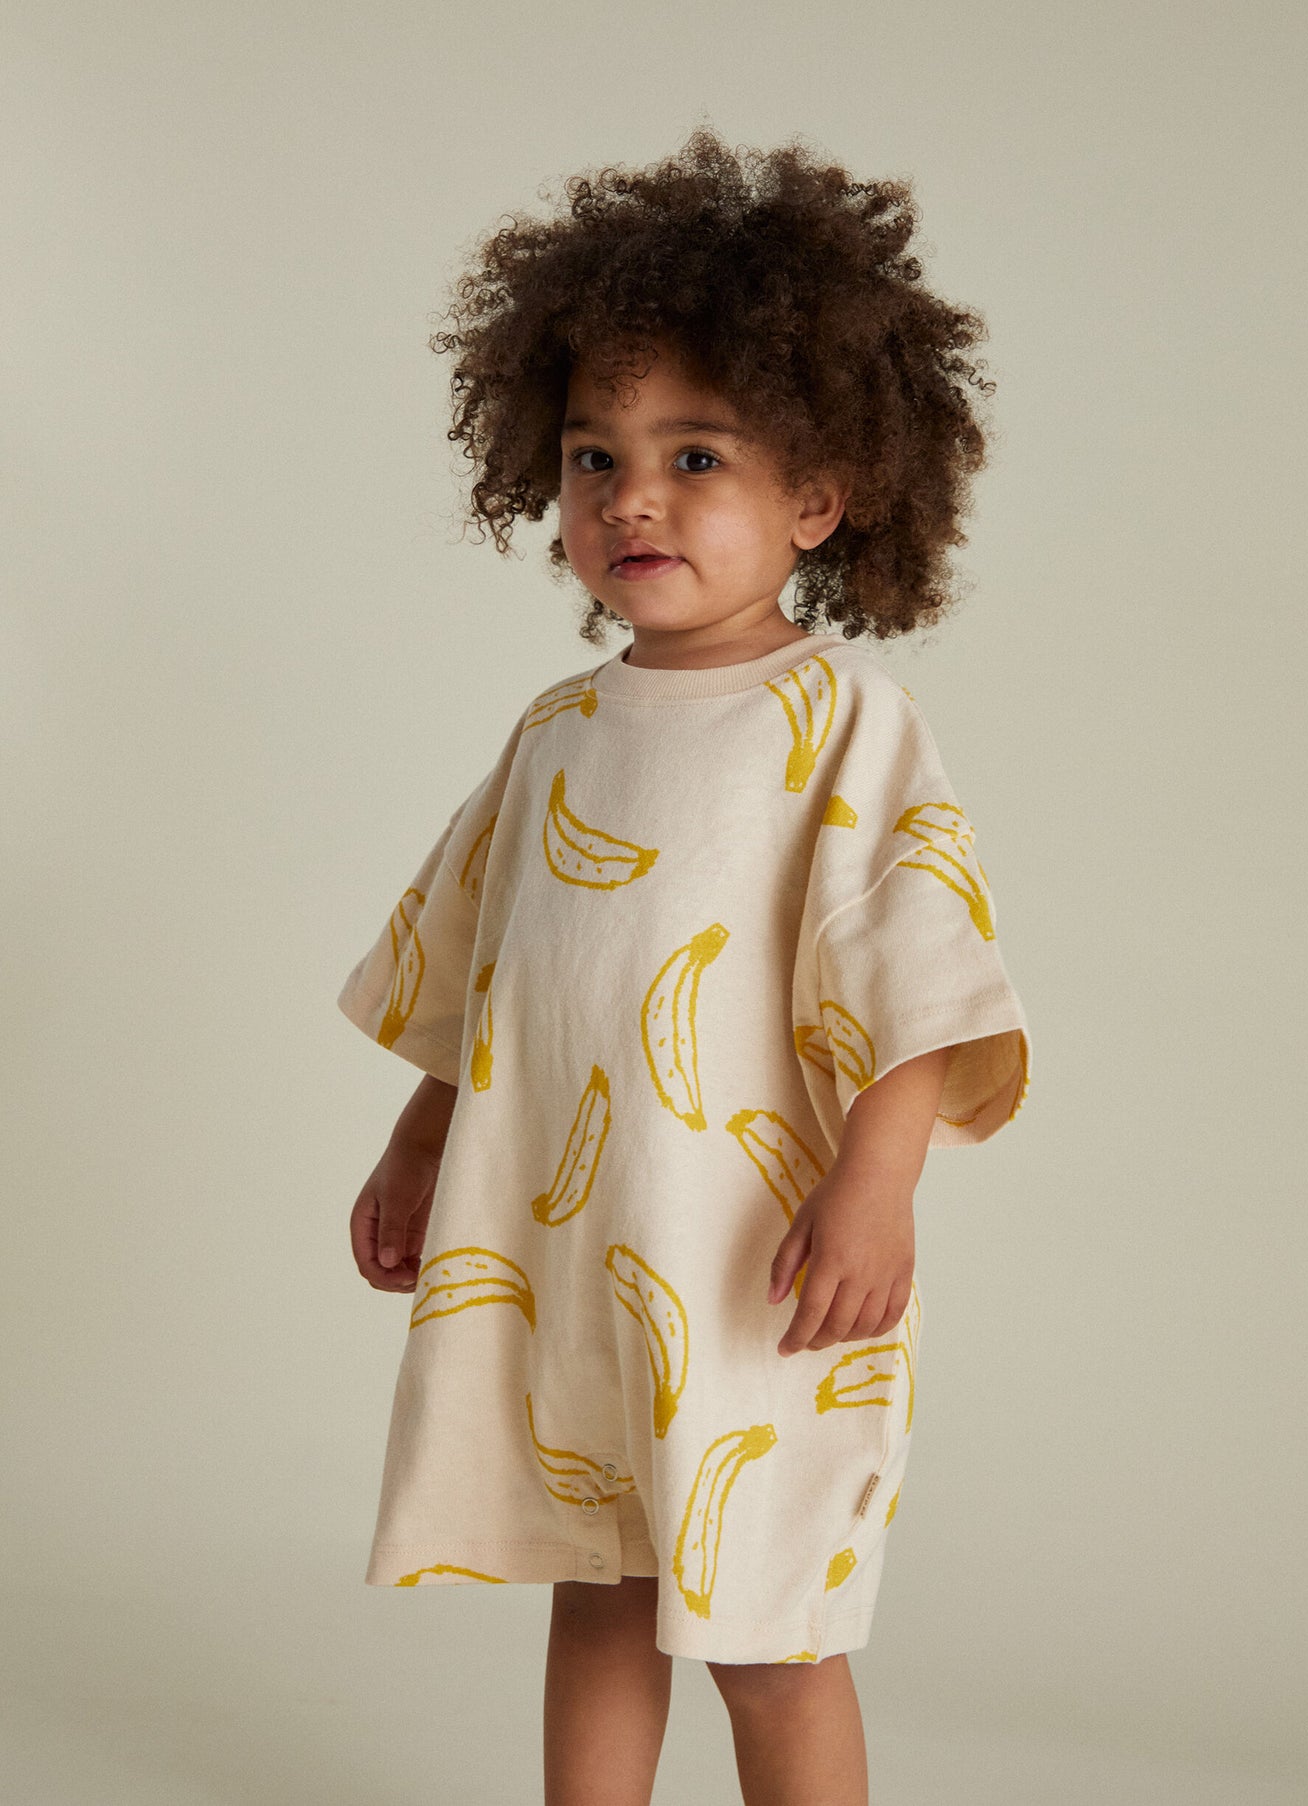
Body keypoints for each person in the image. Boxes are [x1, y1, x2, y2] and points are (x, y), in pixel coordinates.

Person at [336, 127, 1033, 1806]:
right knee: (602, 1581)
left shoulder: (844, 721)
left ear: (818, 493)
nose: (630, 496)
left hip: (760, 1261)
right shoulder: (558, 732)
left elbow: (916, 973)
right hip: (577, 1247)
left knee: (771, 1621)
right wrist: (421, 1138)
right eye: (592, 454)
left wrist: (879, 1191)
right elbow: (484, 958)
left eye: (695, 453)